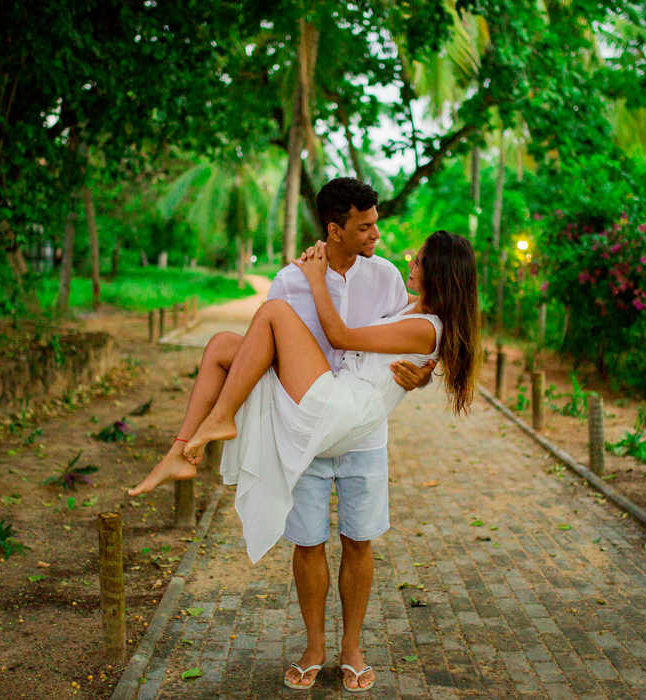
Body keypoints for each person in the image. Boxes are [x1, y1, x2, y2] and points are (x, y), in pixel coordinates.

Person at [129, 180, 480, 692]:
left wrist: (422, 371)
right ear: (335, 229)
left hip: (348, 423)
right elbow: (264, 348)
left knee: (358, 540)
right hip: (319, 415)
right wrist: (423, 366)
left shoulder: (391, 288)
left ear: (439, 273)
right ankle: (182, 450)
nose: (382, 238)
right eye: (366, 226)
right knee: (224, 345)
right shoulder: (369, 294)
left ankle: (351, 648)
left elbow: (363, 338)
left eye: (419, 257)